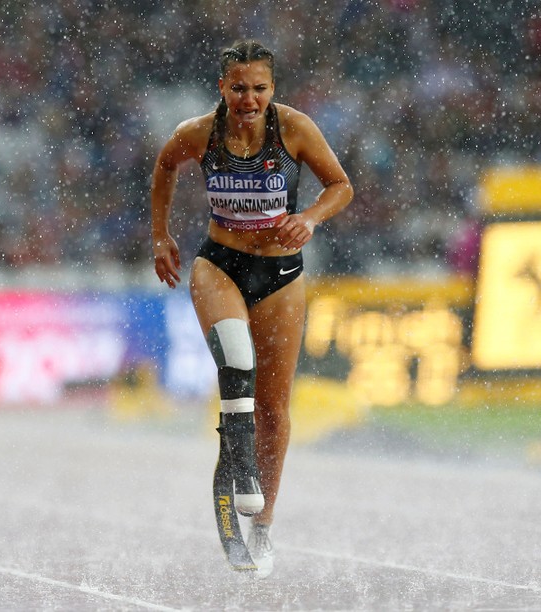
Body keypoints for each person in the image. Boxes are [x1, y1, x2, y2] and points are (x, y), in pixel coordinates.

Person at [150, 40, 353, 578]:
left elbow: (341, 186)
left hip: (281, 275)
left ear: (273, 89)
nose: (248, 99)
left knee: (274, 410)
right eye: (238, 88)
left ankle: (262, 525)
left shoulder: (295, 129)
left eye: (259, 88)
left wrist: (309, 218)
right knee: (237, 359)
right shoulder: (199, 133)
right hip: (220, 264)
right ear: (222, 87)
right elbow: (165, 165)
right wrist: (160, 236)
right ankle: (240, 470)